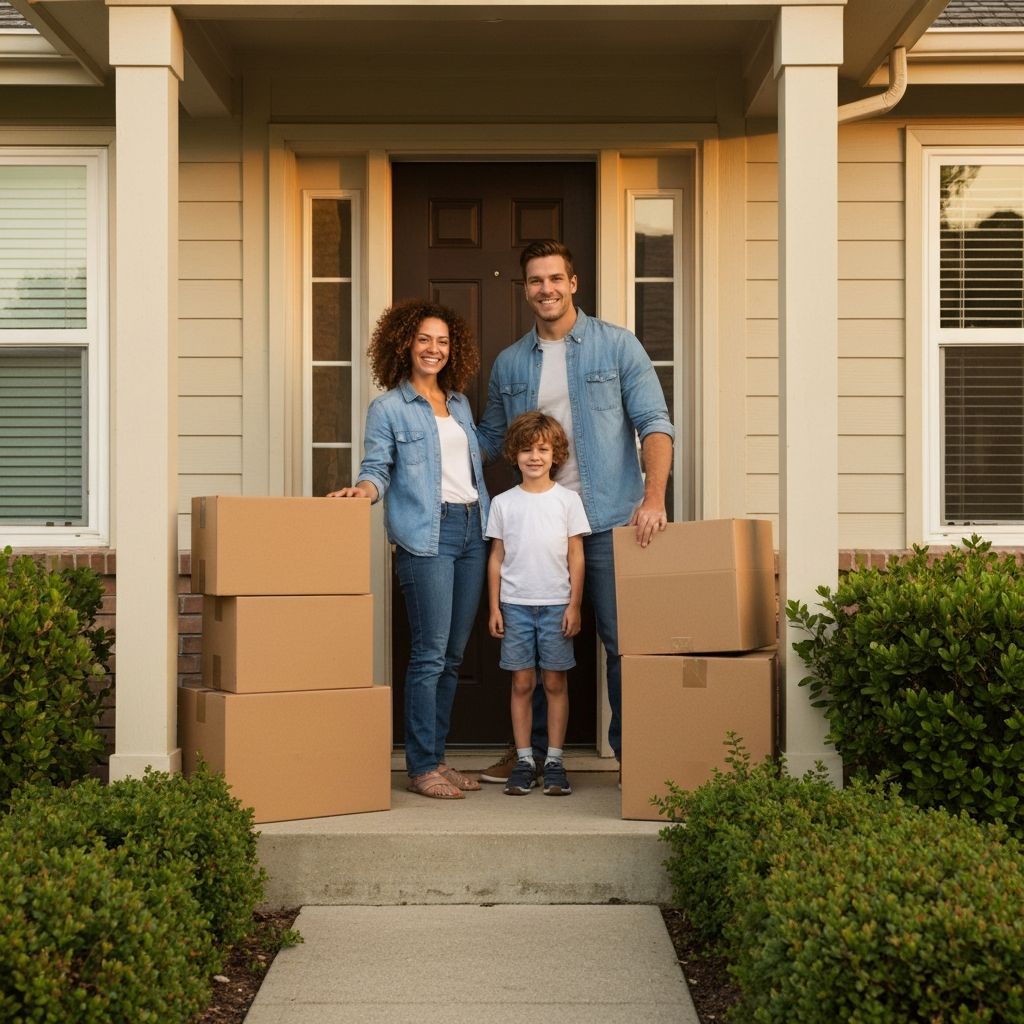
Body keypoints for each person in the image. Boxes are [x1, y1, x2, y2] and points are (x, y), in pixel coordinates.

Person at [476, 240, 674, 782]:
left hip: (610, 520)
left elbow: (655, 423)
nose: (546, 289)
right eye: (535, 281)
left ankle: (635, 763)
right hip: (536, 527)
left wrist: (653, 498)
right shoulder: (512, 362)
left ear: (573, 282)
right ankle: (532, 757)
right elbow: (490, 438)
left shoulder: (617, 346)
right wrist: (427, 423)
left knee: (623, 645)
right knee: (533, 650)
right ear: (526, 289)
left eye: (555, 279)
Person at [328, 299, 489, 800]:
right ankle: (421, 767)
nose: (433, 349)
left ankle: (438, 758)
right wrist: (364, 491)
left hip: (471, 531)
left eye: (442, 341)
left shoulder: (459, 403)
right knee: (428, 654)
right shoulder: (388, 408)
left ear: (452, 348)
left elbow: (471, 467)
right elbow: (377, 468)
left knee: (452, 656)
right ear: (405, 343)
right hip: (427, 535)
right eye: (424, 339)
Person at [486, 412, 591, 797]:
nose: (535, 456)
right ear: (514, 454)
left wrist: (574, 605)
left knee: (554, 681)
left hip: (556, 605)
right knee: (522, 682)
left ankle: (555, 760)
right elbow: (496, 556)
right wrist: (494, 608)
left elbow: (576, 555)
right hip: (515, 606)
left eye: (543, 449)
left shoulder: (568, 501)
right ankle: (526, 760)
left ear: (555, 454)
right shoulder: (503, 503)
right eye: (527, 449)